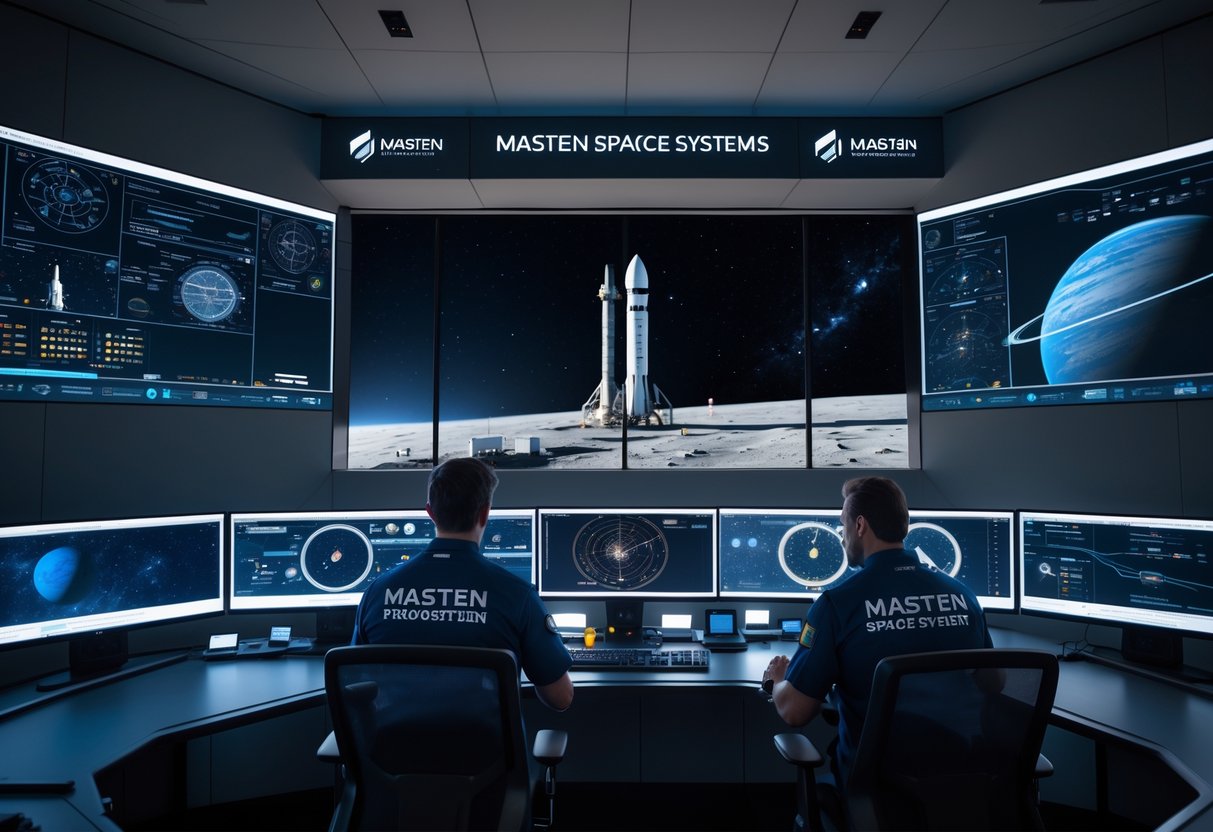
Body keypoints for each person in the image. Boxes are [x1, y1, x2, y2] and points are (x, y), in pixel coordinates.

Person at [762, 476, 991, 780]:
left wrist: (776, 681)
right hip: (965, 777)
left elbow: (795, 712)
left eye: (843, 525)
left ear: (860, 526)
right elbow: (994, 682)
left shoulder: (837, 604)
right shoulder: (963, 595)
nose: (842, 537)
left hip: (877, 783)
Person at [353, 457, 574, 711]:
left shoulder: (377, 592)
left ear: (430, 513)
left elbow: (355, 680)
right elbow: (560, 698)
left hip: (392, 737)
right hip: (484, 738)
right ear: (485, 513)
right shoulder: (517, 595)